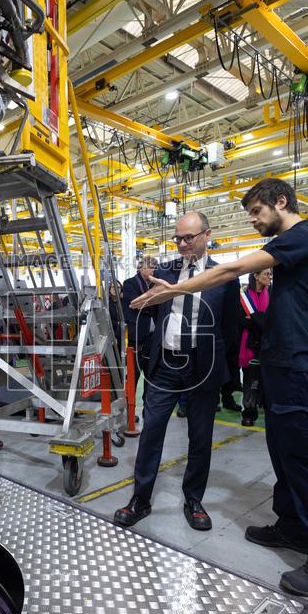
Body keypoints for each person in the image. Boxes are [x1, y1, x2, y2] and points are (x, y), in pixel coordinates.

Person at [131, 178, 308, 597]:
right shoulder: (299, 247)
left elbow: (232, 270)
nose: (253, 222)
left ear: (281, 202)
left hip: (299, 366)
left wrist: (177, 289)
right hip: (280, 363)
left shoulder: (305, 236)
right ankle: (292, 528)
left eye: (256, 212)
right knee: (284, 455)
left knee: (307, 459)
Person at [113, 212, 240, 533]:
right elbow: (149, 310)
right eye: (178, 239)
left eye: (189, 238)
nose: (182, 244)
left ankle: (194, 500)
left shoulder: (222, 274)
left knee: (200, 437)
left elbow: (232, 325)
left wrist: (219, 363)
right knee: (151, 432)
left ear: (207, 234)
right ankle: (140, 499)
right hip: (166, 365)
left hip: (203, 365)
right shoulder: (166, 271)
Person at [238, 268, 271, 427]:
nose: (269, 277)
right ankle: (249, 412)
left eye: (270, 274)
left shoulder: (272, 294)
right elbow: (240, 320)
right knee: (250, 379)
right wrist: (261, 320)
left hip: (268, 342)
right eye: (266, 274)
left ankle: (267, 407)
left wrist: (254, 318)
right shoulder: (243, 297)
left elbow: (273, 319)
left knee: (268, 378)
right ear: (256, 276)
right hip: (249, 343)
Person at [121, 256, 159, 380]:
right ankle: (129, 399)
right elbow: (136, 303)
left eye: (155, 268)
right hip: (136, 337)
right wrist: (155, 299)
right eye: (150, 267)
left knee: (151, 373)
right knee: (133, 374)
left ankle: (148, 399)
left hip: (152, 337)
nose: (153, 271)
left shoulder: (155, 284)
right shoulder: (130, 283)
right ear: (140, 268)